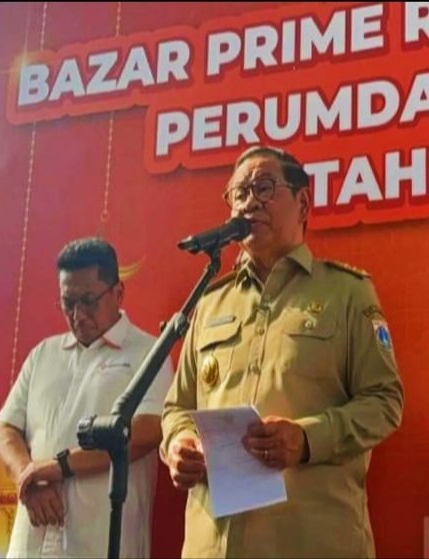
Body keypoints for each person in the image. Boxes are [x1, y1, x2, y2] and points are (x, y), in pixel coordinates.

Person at [161, 145, 404, 558]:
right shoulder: (210, 302)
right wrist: (180, 442)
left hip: (309, 541)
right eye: (239, 193)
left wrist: (307, 439)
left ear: (303, 203)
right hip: (213, 545)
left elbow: (385, 402)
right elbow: (177, 407)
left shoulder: (347, 293)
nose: (249, 202)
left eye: (264, 187)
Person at [0, 238, 173, 558]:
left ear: (118, 293)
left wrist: (57, 467)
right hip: (31, 543)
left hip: (102, 543)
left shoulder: (148, 353)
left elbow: (146, 431)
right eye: (68, 303)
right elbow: (5, 430)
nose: (78, 315)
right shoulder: (43, 354)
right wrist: (28, 478)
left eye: (89, 301)